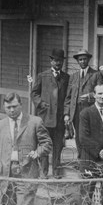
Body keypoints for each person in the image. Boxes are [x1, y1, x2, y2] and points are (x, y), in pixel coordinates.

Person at [31, 49, 70, 179]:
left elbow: (68, 98)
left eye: (60, 60)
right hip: (45, 117)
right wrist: (40, 103)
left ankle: (57, 172)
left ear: (63, 62)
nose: (58, 63)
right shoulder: (43, 76)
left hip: (59, 119)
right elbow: (34, 93)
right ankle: (43, 172)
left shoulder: (66, 77)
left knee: (58, 146)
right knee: (44, 145)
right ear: (51, 61)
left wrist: (66, 114)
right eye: (55, 60)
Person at [64, 50, 103, 155]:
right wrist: (67, 113)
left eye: (85, 59)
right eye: (80, 59)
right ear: (78, 61)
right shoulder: (73, 76)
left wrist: (90, 96)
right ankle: (81, 158)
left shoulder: (96, 74)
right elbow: (68, 97)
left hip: (90, 110)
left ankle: (90, 158)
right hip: (76, 111)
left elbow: (101, 93)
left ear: (88, 60)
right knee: (78, 135)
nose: (82, 61)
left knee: (89, 134)